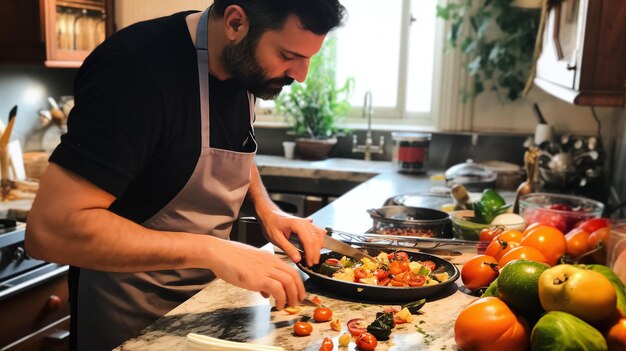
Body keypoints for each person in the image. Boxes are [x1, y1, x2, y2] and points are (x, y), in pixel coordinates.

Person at [24, 1, 346, 350]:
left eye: (308, 57)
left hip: (202, 306)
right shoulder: (133, 72)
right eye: (288, 55)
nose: (301, 75)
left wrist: (267, 209)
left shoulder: (243, 65)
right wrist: (212, 250)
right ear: (236, 23)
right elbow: (50, 231)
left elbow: (221, 144)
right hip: (126, 313)